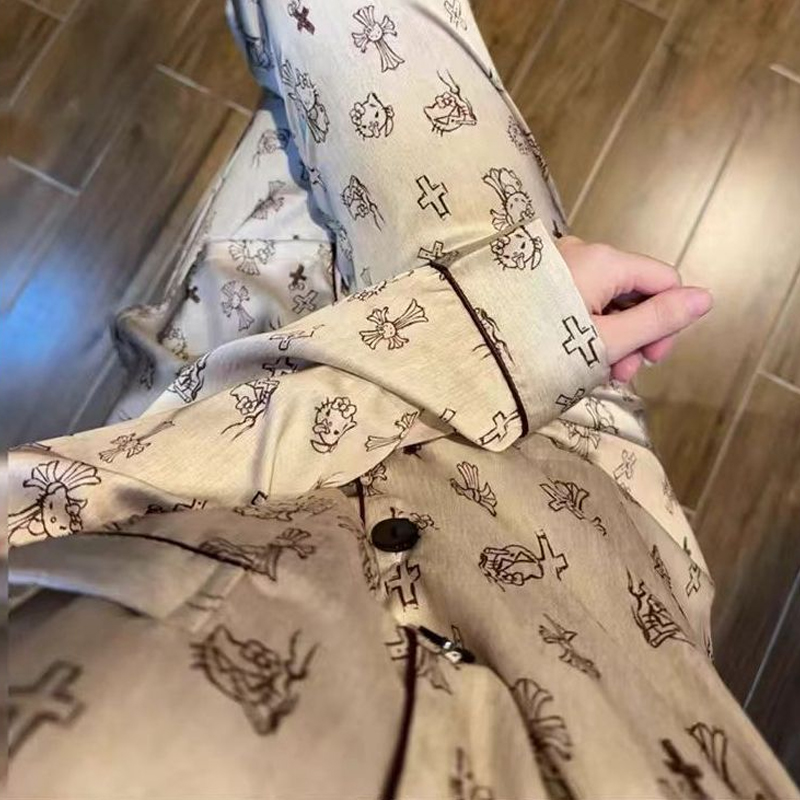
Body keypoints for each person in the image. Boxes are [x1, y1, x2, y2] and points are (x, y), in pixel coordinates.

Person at [6, 1, 798, 798]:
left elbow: (39, 509)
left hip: (221, 408)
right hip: (556, 454)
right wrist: (506, 330)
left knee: (304, 98)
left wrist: (497, 329)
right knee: (319, 76)